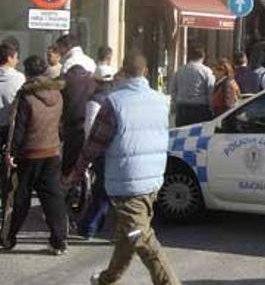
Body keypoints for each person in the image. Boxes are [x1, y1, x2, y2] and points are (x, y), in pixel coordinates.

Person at [62, 52, 181, 285]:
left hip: (127, 182)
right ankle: (108, 279)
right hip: (153, 179)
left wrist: (75, 174)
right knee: (128, 234)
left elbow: (93, 145)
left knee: (141, 237)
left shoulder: (114, 103)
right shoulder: (161, 100)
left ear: (123, 71)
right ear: (146, 72)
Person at [1, 55, 68, 254]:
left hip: (29, 154)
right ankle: (59, 241)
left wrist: (11, 153)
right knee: (53, 197)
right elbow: (61, 123)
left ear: (27, 73)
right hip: (52, 151)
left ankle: (8, 238)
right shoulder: (57, 94)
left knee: (19, 197)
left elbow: (17, 128)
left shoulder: (26, 96)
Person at [77, 73, 115, 240]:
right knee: (104, 190)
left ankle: (90, 226)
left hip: (101, 150)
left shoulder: (95, 101)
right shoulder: (114, 99)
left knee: (101, 190)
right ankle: (94, 225)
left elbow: (90, 130)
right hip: (113, 151)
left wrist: (87, 155)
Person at [56, 34, 98, 180]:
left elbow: (62, 93)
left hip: (71, 115)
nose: (59, 52)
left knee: (70, 155)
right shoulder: (91, 62)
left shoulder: (67, 65)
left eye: (60, 48)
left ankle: (69, 187)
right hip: (90, 112)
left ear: (66, 47)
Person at [0, 44, 25, 224]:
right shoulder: (18, 78)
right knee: (8, 171)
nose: (17, 60)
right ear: (9, 58)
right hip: (9, 130)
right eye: (16, 57)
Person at [169, 46, 214, 127]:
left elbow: (173, 89)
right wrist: (211, 108)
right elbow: (211, 90)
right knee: (198, 135)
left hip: (182, 109)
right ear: (203, 57)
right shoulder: (206, 71)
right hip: (200, 109)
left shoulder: (180, 70)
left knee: (182, 134)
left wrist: (175, 103)